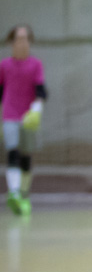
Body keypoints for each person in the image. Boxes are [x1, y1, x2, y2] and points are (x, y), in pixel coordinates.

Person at [1, 25, 47, 216]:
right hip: (9, 114)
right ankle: (13, 193)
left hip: (28, 117)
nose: (23, 43)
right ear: (12, 42)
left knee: (26, 156)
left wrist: (36, 110)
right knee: (12, 152)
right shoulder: (4, 65)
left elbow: (41, 91)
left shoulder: (35, 65)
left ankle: (24, 193)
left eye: (26, 38)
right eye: (19, 39)